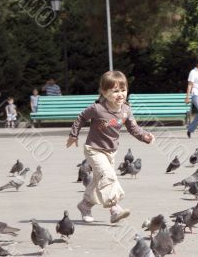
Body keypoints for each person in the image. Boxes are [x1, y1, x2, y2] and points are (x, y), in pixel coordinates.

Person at [66, 70, 155, 224]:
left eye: (123, 90)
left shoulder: (126, 110)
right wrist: (74, 135)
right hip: (94, 149)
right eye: (115, 91)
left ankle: (85, 205)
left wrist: (145, 136)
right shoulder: (97, 108)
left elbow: (134, 128)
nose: (120, 94)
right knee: (108, 177)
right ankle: (114, 209)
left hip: (111, 152)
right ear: (104, 93)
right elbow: (81, 117)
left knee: (98, 181)